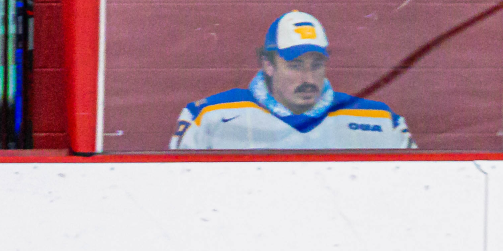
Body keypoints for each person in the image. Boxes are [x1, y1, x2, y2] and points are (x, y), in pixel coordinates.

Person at [171, 11, 413, 151]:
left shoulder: (380, 121)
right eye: (295, 65)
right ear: (268, 65)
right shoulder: (208, 117)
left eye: (316, 65)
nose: (308, 78)